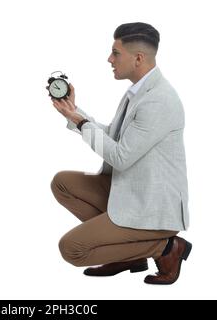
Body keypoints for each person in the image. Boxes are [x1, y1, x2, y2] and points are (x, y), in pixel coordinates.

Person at [50, 22, 191, 285]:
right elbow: (113, 136)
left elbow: (121, 156)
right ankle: (127, 254)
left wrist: (82, 124)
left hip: (154, 207)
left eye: (115, 53)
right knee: (63, 183)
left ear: (138, 58)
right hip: (134, 192)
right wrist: (74, 113)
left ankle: (165, 248)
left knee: (72, 249)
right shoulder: (137, 92)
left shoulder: (159, 99)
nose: (109, 59)